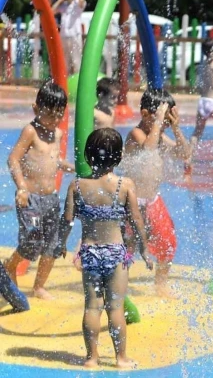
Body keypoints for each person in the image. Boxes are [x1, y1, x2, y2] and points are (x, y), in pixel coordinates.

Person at [58, 128, 153, 368]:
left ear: (88, 156)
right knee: (115, 307)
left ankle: (91, 357)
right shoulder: (124, 185)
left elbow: (67, 218)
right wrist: (144, 248)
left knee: (92, 306)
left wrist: (60, 242)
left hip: (90, 252)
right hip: (115, 254)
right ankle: (121, 358)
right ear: (119, 157)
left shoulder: (77, 185)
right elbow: (136, 220)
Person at [5, 81, 74, 300]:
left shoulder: (58, 134)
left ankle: (39, 286)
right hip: (31, 201)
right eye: (50, 115)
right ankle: (9, 266)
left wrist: (71, 167)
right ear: (36, 109)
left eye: (59, 115)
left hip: (51, 200)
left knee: (53, 244)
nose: (54, 120)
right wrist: (21, 187)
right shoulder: (30, 132)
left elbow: (54, 159)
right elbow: (13, 159)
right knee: (31, 240)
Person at [120, 89, 191, 298]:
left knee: (167, 242)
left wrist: (176, 129)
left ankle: (161, 285)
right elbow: (148, 149)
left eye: (169, 119)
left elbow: (184, 154)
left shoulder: (159, 135)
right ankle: (116, 283)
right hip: (132, 203)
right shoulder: (136, 134)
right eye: (162, 118)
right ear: (145, 114)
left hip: (152, 201)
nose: (165, 124)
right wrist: (159, 122)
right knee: (128, 247)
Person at [53, 0, 87, 74]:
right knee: (65, 62)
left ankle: (77, 82)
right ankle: (66, 82)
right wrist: (60, 0)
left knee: (76, 60)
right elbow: (52, 11)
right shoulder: (63, 6)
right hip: (64, 36)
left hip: (75, 35)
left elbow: (82, 0)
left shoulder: (77, 4)